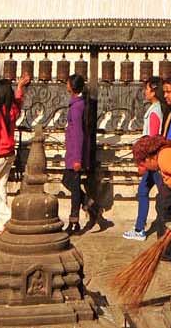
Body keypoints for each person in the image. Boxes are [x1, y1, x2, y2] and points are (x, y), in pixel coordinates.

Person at [0, 73, 30, 237]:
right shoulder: (13, 108)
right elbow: (19, 100)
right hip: (10, 153)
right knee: (0, 186)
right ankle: (0, 225)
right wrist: (20, 88)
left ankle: (8, 217)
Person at [62, 73, 103, 235]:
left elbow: (79, 134)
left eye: (67, 83)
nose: (66, 85)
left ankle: (74, 222)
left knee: (74, 187)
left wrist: (77, 159)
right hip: (72, 151)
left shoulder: (78, 107)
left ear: (72, 86)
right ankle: (92, 205)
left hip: (75, 153)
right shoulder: (76, 104)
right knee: (68, 181)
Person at [125, 78, 165, 241]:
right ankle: (139, 228)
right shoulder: (155, 109)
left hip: (152, 161)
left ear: (154, 91)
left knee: (164, 195)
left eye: (147, 89)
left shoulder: (155, 111)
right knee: (144, 191)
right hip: (152, 160)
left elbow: (152, 139)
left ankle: (167, 229)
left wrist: (144, 162)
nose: (144, 92)